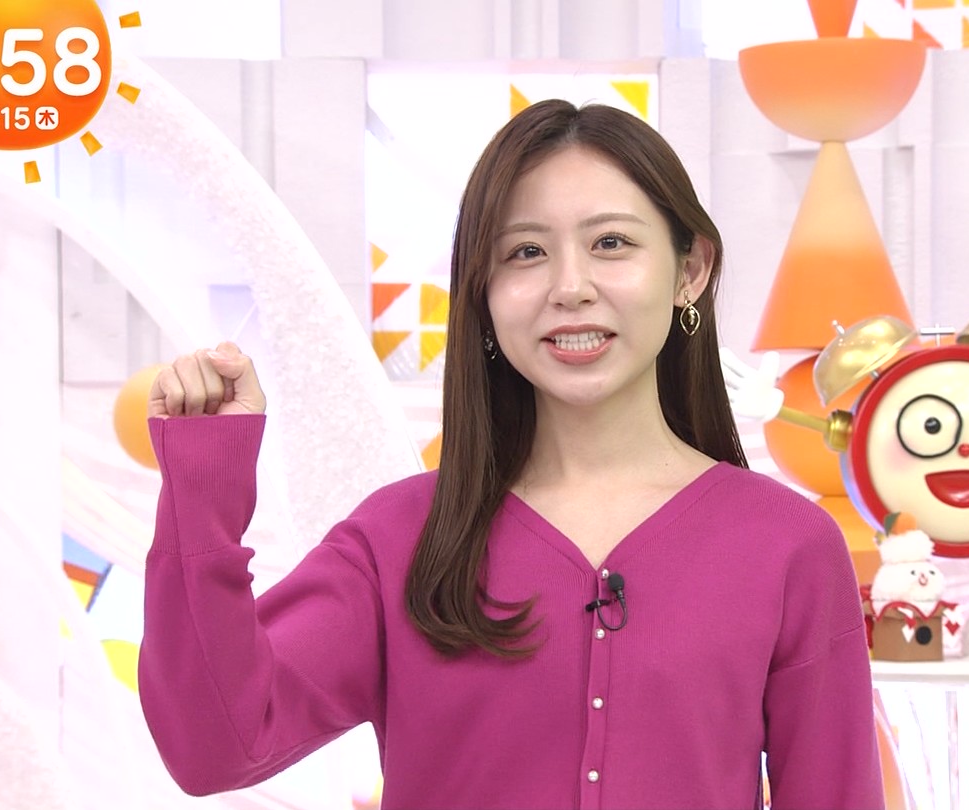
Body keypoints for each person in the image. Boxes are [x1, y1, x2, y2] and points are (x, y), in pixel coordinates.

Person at [138, 99, 883, 810]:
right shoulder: (397, 540)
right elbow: (215, 747)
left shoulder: (789, 547)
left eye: (611, 243)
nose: (570, 287)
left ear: (690, 271)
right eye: (525, 252)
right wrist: (205, 485)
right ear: (484, 294)